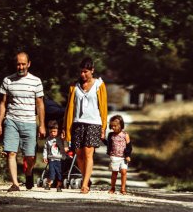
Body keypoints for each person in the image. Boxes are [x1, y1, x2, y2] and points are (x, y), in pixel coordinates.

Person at [0, 50, 46, 191]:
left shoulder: (36, 81)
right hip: (11, 120)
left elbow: (40, 104)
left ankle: (28, 172)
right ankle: (15, 184)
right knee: (11, 153)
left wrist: (42, 125)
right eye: (18, 64)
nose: (21, 67)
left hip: (29, 121)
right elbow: (3, 104)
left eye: (23, 64)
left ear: (29, 64)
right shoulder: (8, 80)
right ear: (15, 65)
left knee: (30, 156)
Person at [63, 57, 107, 194]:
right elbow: (68, 109)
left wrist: (103, 128)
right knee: (79, 154)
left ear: (92, 70)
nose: (83, 74)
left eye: (86, 72)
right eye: (81, 72)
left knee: (88, 153)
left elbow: (103, 107)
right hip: (77, 123)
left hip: (94, 123)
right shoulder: (74, 86)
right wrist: (65, 127)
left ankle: (85, 185)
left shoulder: (99, 85)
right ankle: (86, 178)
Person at [106, 114, 132, 195]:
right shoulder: (111, 135)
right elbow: (108, 144)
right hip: (114, 157)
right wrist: (102, 139)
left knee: (124, 172)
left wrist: (127, 155)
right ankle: (112, 187)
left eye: (115, 126)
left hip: (123, 157)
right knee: (114, 173)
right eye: (112, 126)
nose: (113, 127)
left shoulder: (125, 135)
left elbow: (129, 146)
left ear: (121, 125)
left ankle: (123, 188)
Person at [42, 120, 66, 191]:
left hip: (59, 159)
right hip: (51, 159)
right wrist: (44, 156)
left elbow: (64, 147)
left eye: (54, 131)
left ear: (58, 131)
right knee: (51, 172)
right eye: (51, 132)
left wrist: (64, 155)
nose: (52, 133)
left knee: (59, 173)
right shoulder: (48, 140)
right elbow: (45, 149)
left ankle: (59, 186)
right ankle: (48, 184)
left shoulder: (60, 139)